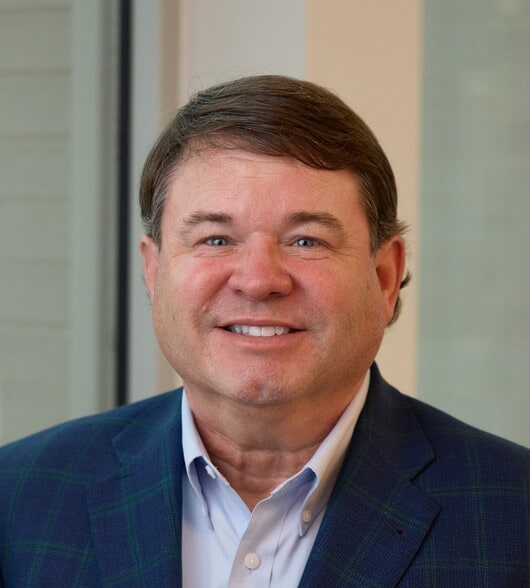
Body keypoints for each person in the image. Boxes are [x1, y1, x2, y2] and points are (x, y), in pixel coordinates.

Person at [0, 75, 528, 587]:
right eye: (215, 239)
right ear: (154, 273)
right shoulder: (18, 497)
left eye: (306, 241)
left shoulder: (514, 516)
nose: (258, 281)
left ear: (385, 277)